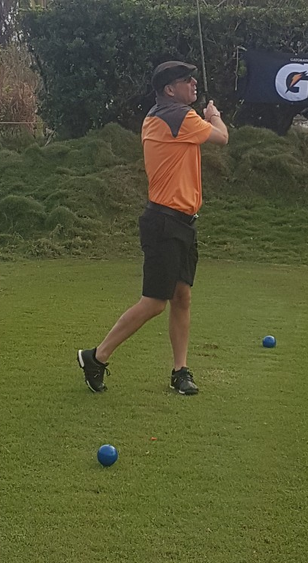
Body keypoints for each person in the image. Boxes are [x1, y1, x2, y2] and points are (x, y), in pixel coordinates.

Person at [77, 60, 229, 395]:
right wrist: (213, 114)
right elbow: (222, 138)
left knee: (182, 296)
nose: (194, 83)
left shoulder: (161, 115)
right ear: (169, 90)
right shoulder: (179, 117)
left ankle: (180, 371)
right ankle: (96, 356)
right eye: (186, 80)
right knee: (155, 302)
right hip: (164, 221)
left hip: (182, 221)